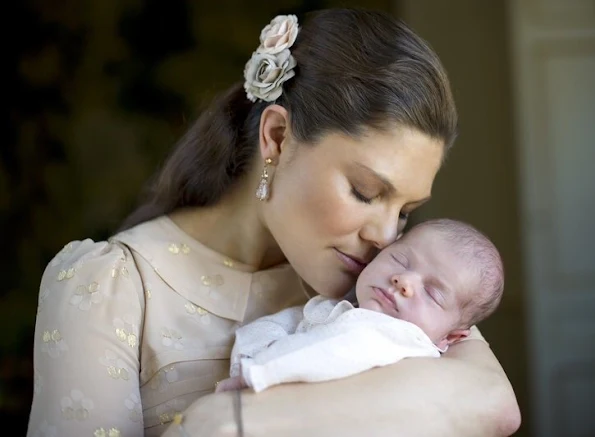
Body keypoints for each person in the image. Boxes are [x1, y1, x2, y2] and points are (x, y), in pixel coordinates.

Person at [27, 8, 520, 437]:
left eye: (406, 212)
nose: (386, 237)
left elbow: (496, 405)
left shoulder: (390, 293)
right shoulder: (111, 283)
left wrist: (236, 422)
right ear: (278, 137)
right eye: (365, 192)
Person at [215, 218, 504, 393]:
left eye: (432, 293)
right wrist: (252, 354)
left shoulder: (401, 340)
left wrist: (259, 372)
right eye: (400, 260)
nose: (403, 280)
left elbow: (331, 352)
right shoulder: (342, 307)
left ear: (450, 338)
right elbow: (283, 324)